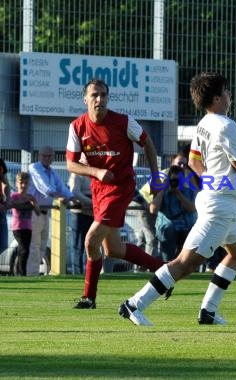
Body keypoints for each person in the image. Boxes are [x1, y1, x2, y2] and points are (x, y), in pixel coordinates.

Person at [117, 71, 236, 326]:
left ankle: (208, 311)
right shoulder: (227, 126)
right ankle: (134, 304)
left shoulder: (205, 123)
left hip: (224, 202)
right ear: (216, 98)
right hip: (219, 206)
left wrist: (212, 179)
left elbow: (193, 161)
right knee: (185, 264)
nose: (230, 95)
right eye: (226, 91)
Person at [66, 78, 166, 309]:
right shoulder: (77, 127)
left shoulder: (123, 121)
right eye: (94, 95)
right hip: (99, 190)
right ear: (85, 99)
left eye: (103, 95)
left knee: (91, 240)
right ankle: (164, 269)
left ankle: (88, 297)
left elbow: (147, 142)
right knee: (114, 249)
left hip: (121, 188)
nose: (99, 99)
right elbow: (71, 164)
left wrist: (154, 174)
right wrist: (96, 172)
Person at [28, 146, 75, 276]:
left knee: (42, 246)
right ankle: (31, 275)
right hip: (34, 212)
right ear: (39, 156)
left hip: (45, 213)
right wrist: (59, 196)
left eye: (50, 156)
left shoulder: (52, 172)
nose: (47, 158)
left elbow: (61, 187)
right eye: (44, 156)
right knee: (34, 246)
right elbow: (44, 187)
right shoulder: (34, 168)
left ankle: (36, 274)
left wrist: (72, 198)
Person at [151, 164, 197, 261]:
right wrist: (163, 189)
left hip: (186, 227)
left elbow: (191, 208)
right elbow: (153, 210)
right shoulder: (163, 192)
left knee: (185, 255)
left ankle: (184, 263)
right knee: (168, 229)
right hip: (168, 228)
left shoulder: (189, 192)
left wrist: (178, 193)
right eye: (173, 180)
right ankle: (167, 262)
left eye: (178, 180)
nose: (175, 183)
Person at [10, 172, 40, 276]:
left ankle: (21, 272)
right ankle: (21, 273)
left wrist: (33, 203)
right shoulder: (14, 196)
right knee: (24, 249)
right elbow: (11, 205)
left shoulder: (30, 197)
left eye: (26, 183)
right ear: (17, 183)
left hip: (28, 227)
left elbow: (38, 212)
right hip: (18, 227)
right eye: (21, 183)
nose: (23, 185)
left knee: (25, 251)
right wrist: (24, 202)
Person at [68, 171, 93, 274]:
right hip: (79, 214)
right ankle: (77, 274)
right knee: (78, 246)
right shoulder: (77, 174)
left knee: (90, 245)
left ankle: (89, 273)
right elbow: (75, 193)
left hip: (92, 215)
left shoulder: (94, 173)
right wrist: (93, 203)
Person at [0, 158, 10, 256]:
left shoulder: (0, 162)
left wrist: (8, 200)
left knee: (3, 244)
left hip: (1, 209)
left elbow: (5, 183)